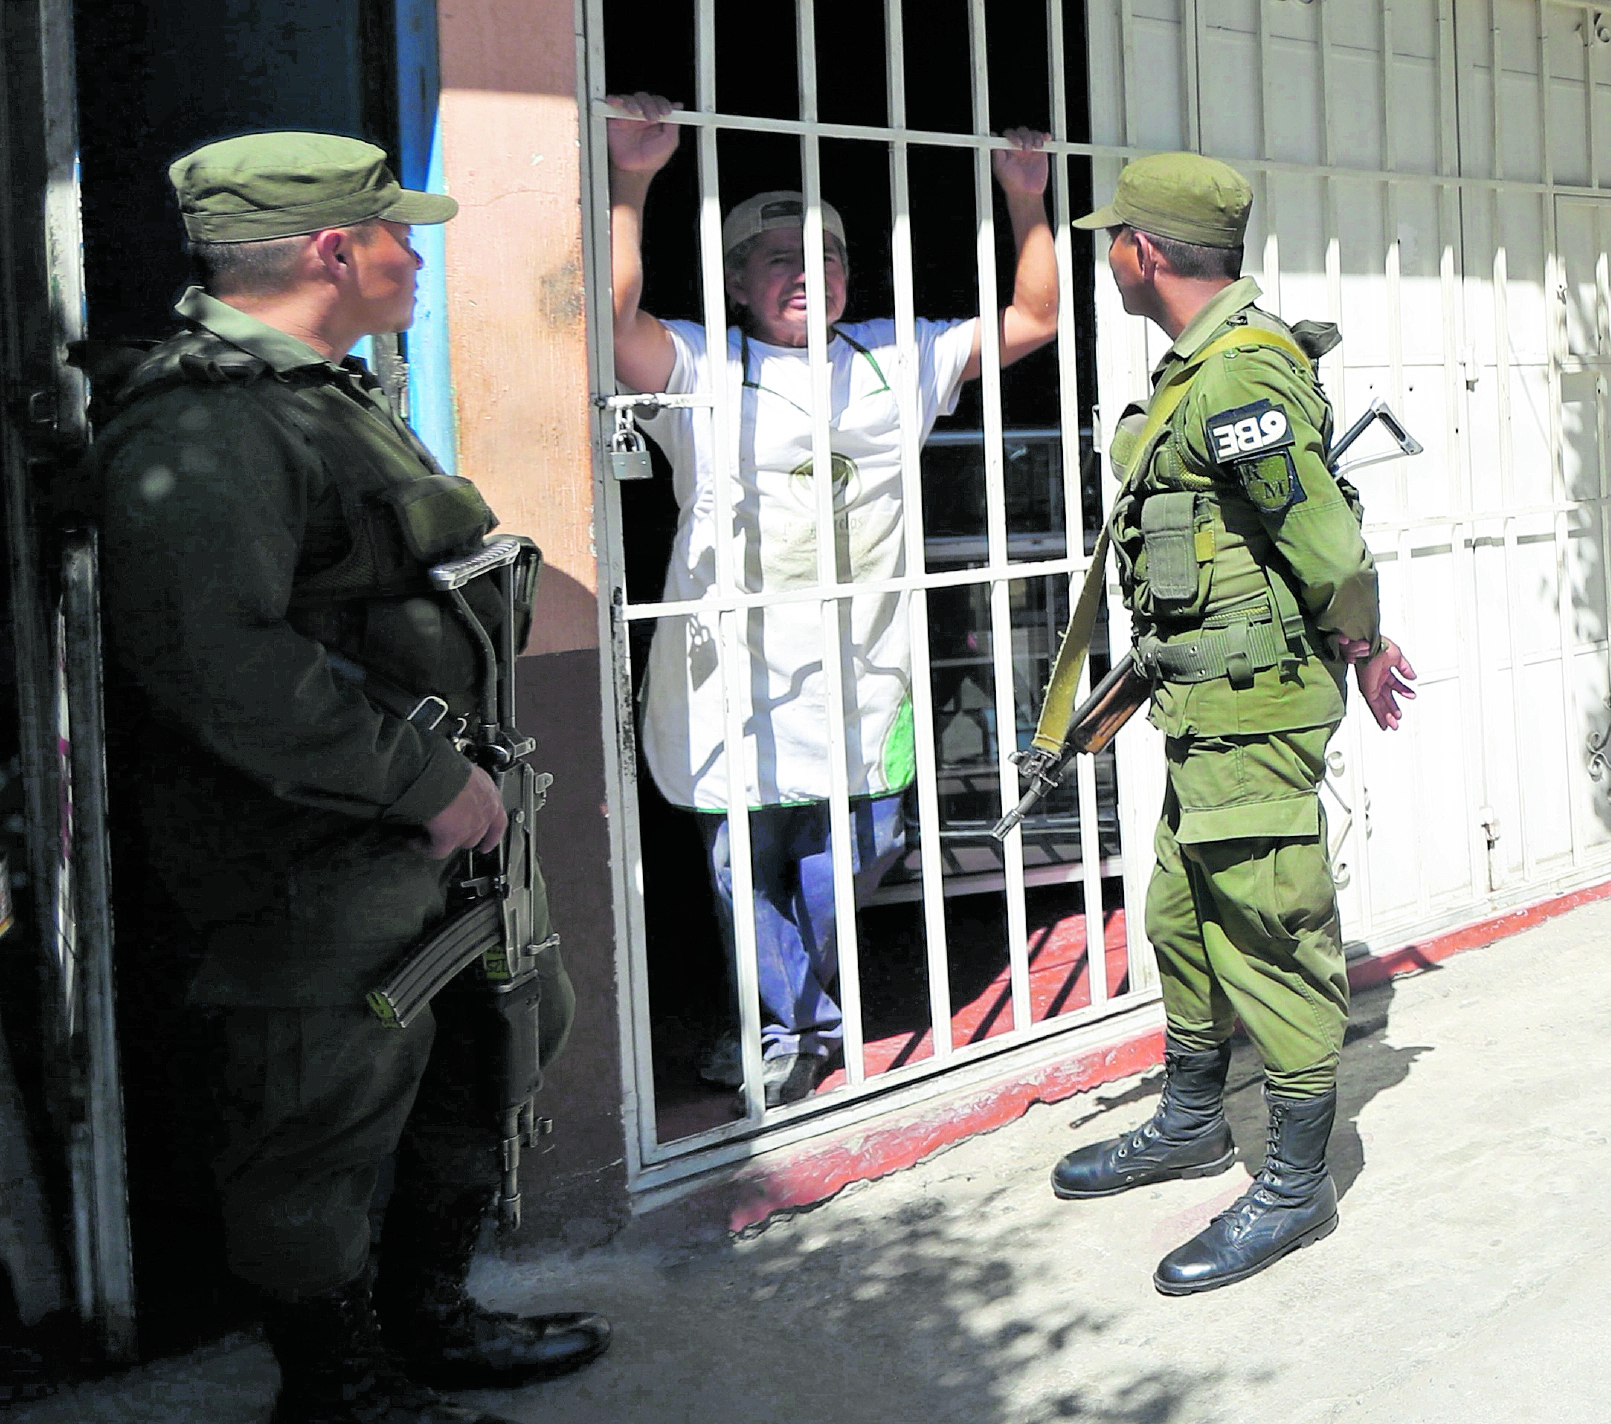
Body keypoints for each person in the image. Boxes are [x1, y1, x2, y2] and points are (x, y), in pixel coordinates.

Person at [87, 133, 607, 1424]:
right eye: (398, 234)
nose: (416, 256)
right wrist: (418, 778)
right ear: (333, 251)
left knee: (500, 1042)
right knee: (315, 1128)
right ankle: (335, 1388)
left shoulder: (328, 392)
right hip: (313, 862)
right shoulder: (203, 426)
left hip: (421, 848)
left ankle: (428, 1320)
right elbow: (219, 662)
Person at [605, 95, 1060, 1106]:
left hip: (866, 668)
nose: (808, 271)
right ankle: (793, 1026)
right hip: (734, 672)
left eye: (827, 254)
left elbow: (1036, 317)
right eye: (777, 256)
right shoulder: (702, 365)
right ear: (733, 280)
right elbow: (612, 316)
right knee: (741, 861)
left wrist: (1026, 201)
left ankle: (788, 1008)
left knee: (861, 848)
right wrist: (630, 179)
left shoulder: (897, 358)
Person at [1046, 152, 1417, 1295]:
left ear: (1145, 252)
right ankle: (1194, 1119)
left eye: (1114, 237)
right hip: (1206, 701)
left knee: (1269, 918)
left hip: (1253, 706)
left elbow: (1324, 545)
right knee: (1182, 909)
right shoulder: (1196, 369)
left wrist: (1362, 640)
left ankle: (1297, 1182)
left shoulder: (1237, 378)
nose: (1107, 252)